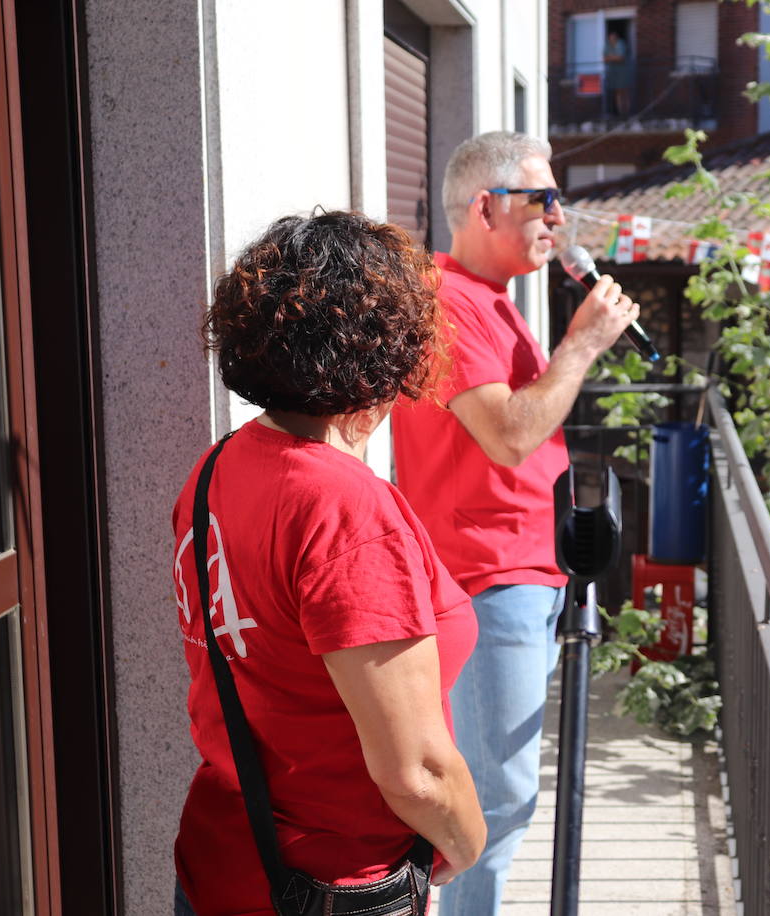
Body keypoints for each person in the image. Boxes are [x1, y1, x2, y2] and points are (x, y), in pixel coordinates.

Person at [171, 212, 486, 916]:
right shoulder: (346, 511)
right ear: (390, 349)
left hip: (223, 857)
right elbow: (419, 775)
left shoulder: (217, 468)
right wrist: (464, 847)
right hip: (329, 882)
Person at [390, 131, 639, 915]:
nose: (557, 220)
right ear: (485, 205)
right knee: (493, 804)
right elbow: (511, 434)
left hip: (514, 575)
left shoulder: (486, 298)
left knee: (490, 797)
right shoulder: (451, 300)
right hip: (486, 579)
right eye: (544, 200)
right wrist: (582, 344)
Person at [602, 29, 632, 117]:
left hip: (623, 72)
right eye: (611, 37)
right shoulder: (607, 45)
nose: (612, 38)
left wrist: (611, 57)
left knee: (625, 92)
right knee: (617, 92)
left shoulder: (621, 44)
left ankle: (627, 112)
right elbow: (604, 58)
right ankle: (620, 112)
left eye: (614, 37)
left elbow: (621, 58)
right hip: (613, 72)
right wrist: (614, 57)